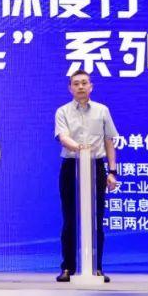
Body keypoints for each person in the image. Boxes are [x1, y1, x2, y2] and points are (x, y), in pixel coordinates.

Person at [54, 70, 119, 283]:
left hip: (96, 166)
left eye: (84, 83)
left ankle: (96, 267)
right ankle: (68, 267)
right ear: (70, 88)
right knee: (70, 218)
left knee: (96, 218)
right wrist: (80, 148)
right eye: (76, 83)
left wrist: (112, 171)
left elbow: (109, 141)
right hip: (71, 165)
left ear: (91, 86)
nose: (80, 87)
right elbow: (62, 137)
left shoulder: (102, 110)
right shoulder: (62, 111)